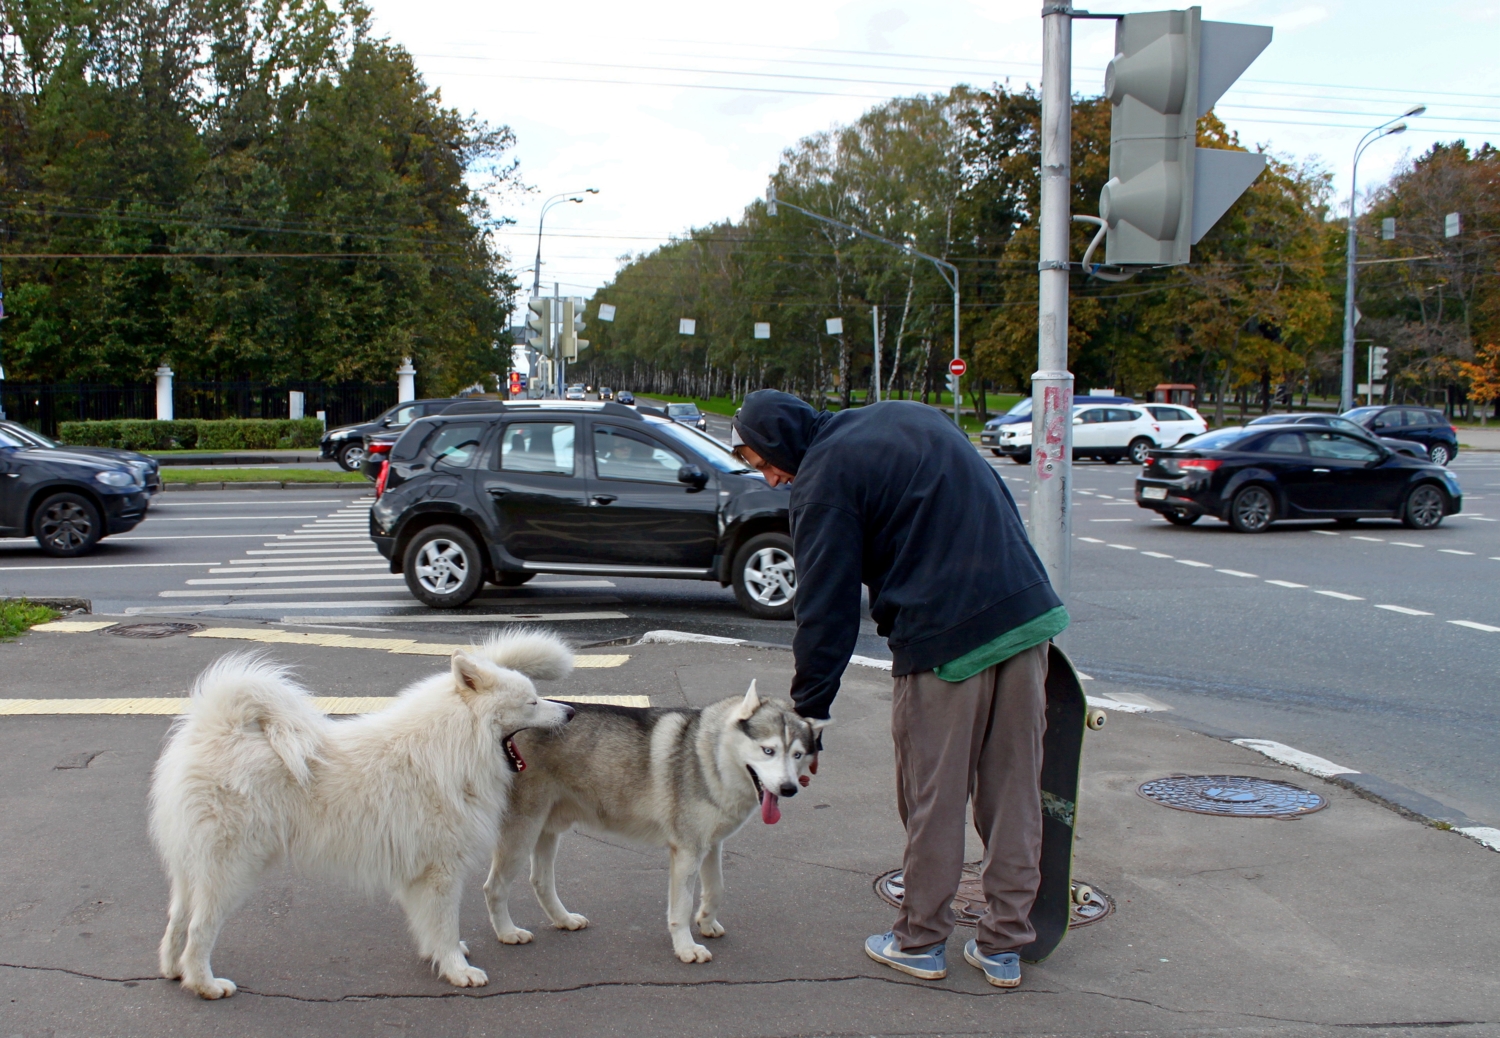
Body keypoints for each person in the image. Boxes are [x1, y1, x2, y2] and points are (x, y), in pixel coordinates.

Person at [730, 390, 1067, 989]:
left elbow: (825, 612)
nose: (773, 478)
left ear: (783, 440)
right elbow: (987, 496)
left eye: (764, 462)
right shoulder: (907, 415)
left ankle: (920, 941)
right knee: (1014, 791)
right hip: (1025, 619)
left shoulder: (822, 478)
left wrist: (808, 721)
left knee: (933, 797)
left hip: (942, 641)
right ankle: (1006, 945)